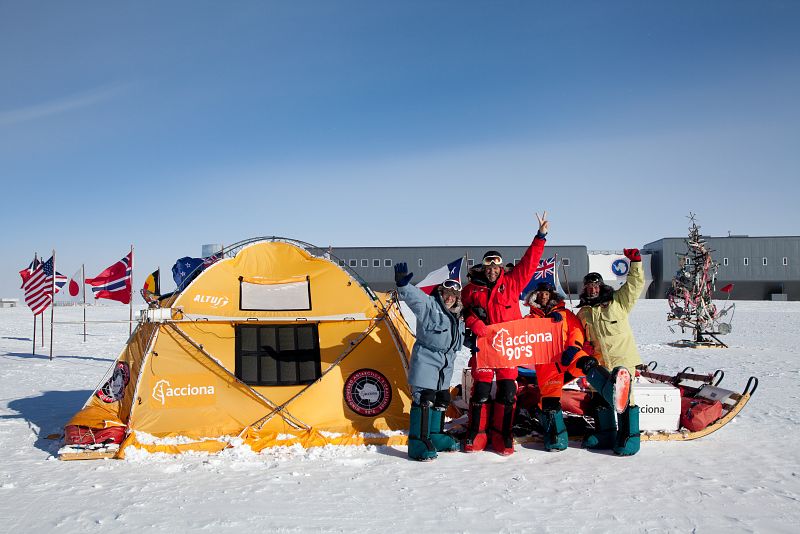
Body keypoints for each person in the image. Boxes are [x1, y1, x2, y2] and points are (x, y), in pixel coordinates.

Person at [460, 212, 549, 455]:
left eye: (496, 265)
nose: (492, 270)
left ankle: (502, 435)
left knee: (508, 391)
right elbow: (462, 309)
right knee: (480, 391)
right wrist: (472, 320)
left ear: (501, 267)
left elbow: (530, 262)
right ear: (484, 267)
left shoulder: (513, 282)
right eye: (488, 265)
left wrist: (540, 236)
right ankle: (476, 434)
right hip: (485, 349)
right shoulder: (471, 289)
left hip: (508, 350)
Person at [571, 248, 644, 456]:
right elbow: (580, 338)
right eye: (589, 286)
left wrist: (636, 263)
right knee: (600, 399)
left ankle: (629, 438)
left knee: (624, 399)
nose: (593, 289)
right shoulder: (583, 312)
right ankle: (607, 434)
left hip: (622, 360)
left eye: (596, 285)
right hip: (599, 363)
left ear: (601, 286)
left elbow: (634, 285)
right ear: (584, 289)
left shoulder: (618, 302)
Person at [394, 262, 465, 461]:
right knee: (424, 399)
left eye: (454, 294)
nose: (450, 297)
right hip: (426, 360)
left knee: (442, 399)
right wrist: (403, 285)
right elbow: (413, 298)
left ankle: (435, 435)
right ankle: (418, 442)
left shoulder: (458, 316)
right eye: (446, 293)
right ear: (440, 293)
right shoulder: (430, 306)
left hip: (446, 365)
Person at [522, 281, 591, 451]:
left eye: (547, 294)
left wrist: (574, 347)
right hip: (548, 364)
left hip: (570, 358)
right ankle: (556, 437)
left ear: (552, 295)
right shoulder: (530, 318)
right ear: (535, 296)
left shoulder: (566, 314)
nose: (543, 297)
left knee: (586, 364)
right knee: (550, 399)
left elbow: (576, 331)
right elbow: (522, 337)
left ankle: (610, 383)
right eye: (540, 294)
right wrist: (546, 323)